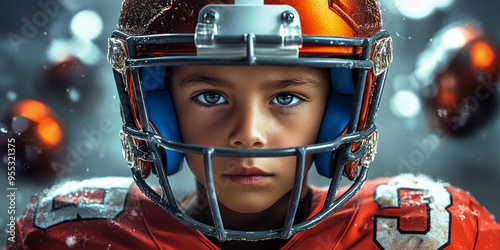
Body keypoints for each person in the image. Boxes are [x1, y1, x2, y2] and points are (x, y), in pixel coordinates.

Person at [7, 0, 500, 249]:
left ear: (340, 113)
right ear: (154, 109)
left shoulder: (433, 232)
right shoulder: (75, 235)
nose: (249, 133)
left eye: (286, 96)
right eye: (210, 95)